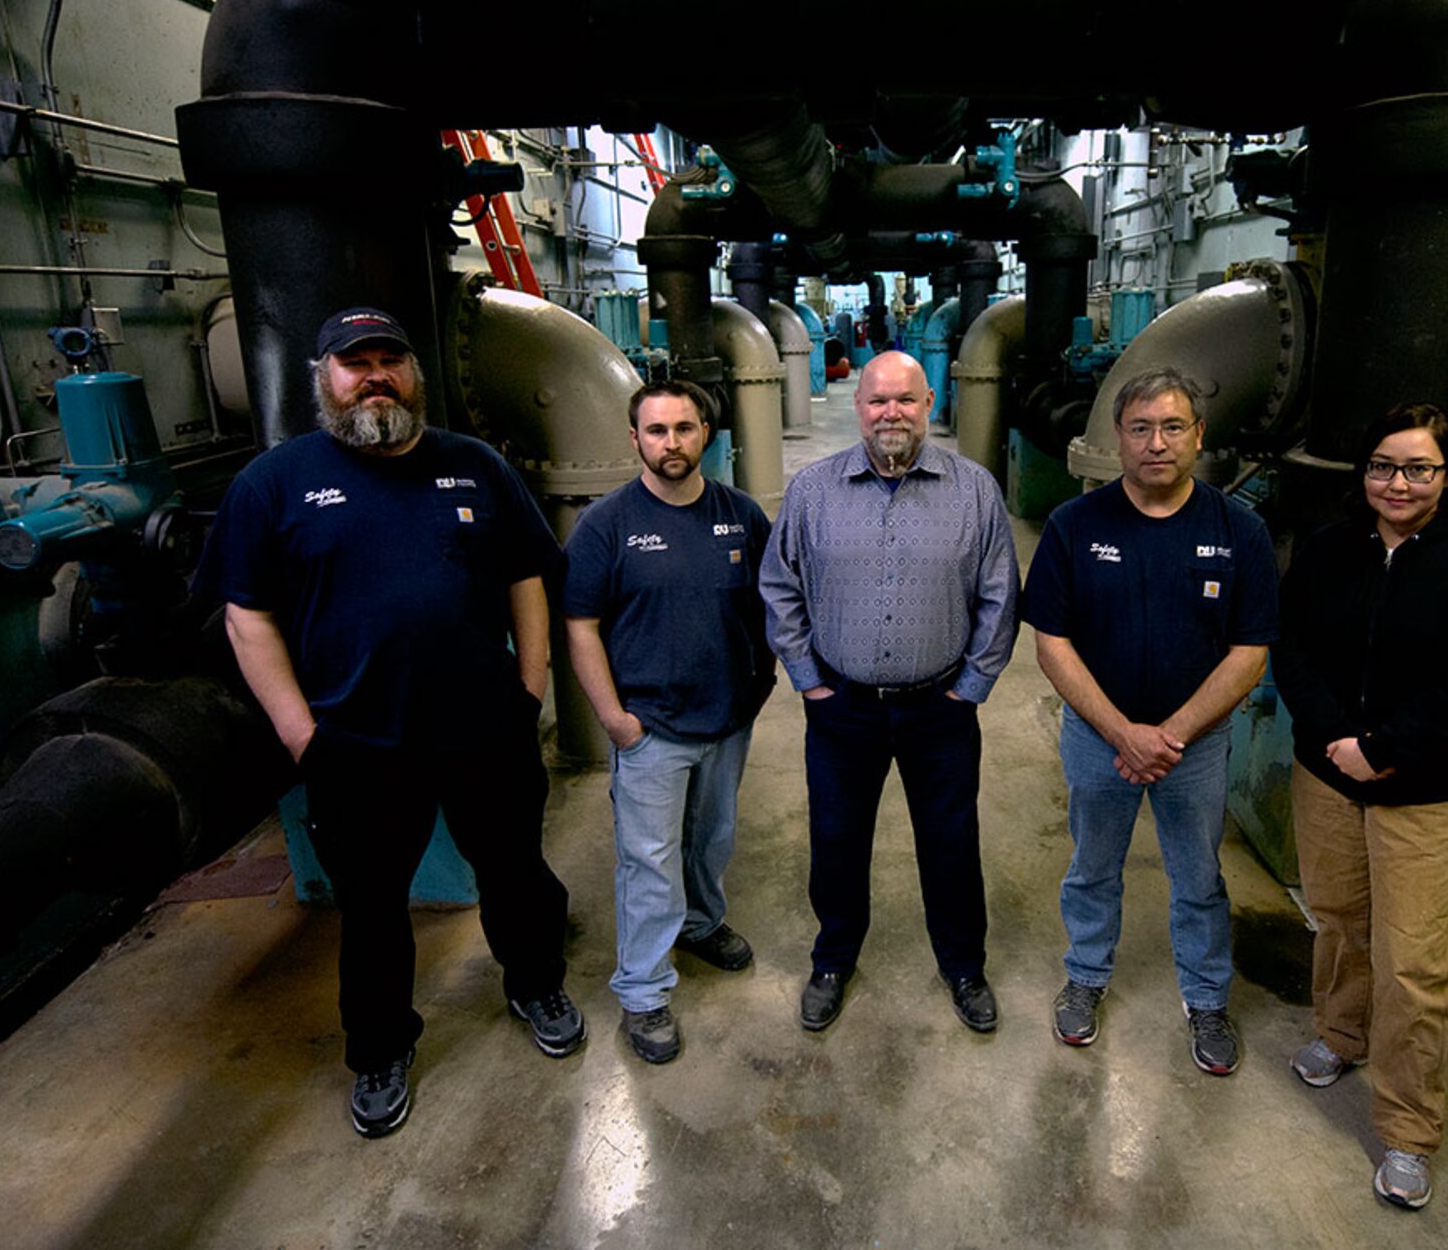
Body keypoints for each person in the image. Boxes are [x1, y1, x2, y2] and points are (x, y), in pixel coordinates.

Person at [200, 305, 584, 1139]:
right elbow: (246, 617)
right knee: (372, 907)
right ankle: (379, 1047)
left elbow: (527, 575)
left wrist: (529, 687)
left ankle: (534, 983)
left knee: (517, 870)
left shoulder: (476, 465)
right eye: (355, 362)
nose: (375, 375)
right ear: (324, 378)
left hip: (486, 727)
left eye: (390, 359)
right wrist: (305, 737)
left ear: (415, 372)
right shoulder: (275, 483)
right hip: (357, 745)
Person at [1272, 402, 1448, 1210]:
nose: (1398, 483)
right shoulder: (1329, 552)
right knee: (1341, 921)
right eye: (1384, 465)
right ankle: (1340, 1034)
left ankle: (1409, 1126)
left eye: (1419, 468)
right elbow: (1293, 649)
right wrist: (1336, 737)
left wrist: (1383, 747)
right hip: (1329, 778)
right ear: (1364, 473)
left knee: (1414, 965)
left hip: (1426, 793)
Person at [1021, 367, 1277, 1073]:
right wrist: (1121, 732)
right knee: (1092, 867)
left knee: (1197, 875)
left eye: (1172, 427)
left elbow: (1249, 652)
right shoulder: (1077, 525)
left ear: (1199, 435)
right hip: (1098, 738)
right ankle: (1086, 976)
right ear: (1118, 436)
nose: (1156, 442)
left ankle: (1206, 997)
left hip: (1192, 747)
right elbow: (1052, 643)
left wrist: (1171, 735)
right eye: (1140, 428)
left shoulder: (1239, 530)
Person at [760, 350, 1019, 1034]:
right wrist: (808, 678)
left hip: (941, 708)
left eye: (905, 400)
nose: (891, 414)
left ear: (929, 402)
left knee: (951, 840)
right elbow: (780, 585)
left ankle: (963, 964)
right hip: (842, 708)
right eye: (878, 401)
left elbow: (999, 594)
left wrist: (972, 685)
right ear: (857, 406)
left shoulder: (975, 491)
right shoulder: (813, 490)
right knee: (837, 838)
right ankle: (834, 958)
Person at [563, 379, 775, 1065]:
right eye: (656, 431)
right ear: (634, 439)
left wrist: (759, 684)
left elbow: (773, 606)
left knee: (711, 838)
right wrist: (613, 719)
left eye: (684, 428)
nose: (672, 443)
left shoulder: (740, 516)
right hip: (650, 725)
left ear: (705, 434)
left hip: (726, 718)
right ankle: (645, 991)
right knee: (649, 860)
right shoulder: (607, 524)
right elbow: (581, 625)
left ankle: (701, 923)